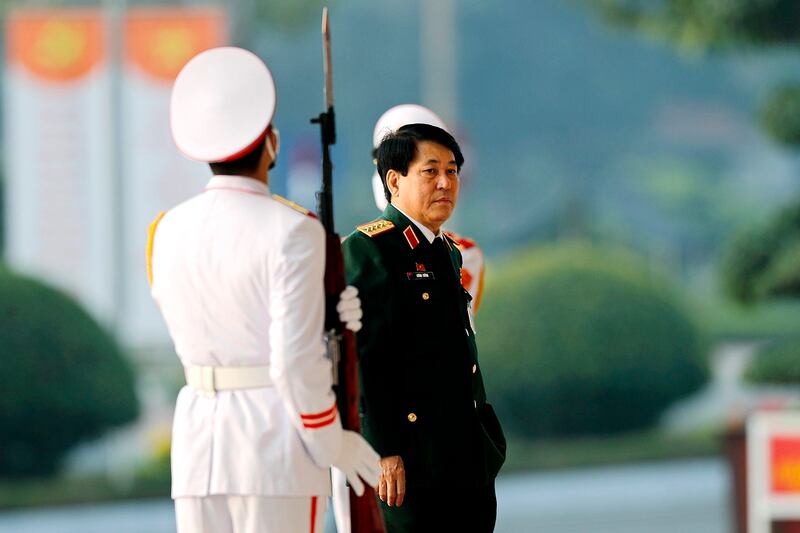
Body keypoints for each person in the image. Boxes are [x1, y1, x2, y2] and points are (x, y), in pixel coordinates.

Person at [147, 46, 380, 533]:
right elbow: (293, 361)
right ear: (270, 143)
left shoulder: (166, 229)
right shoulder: (293, 231)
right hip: (274, 448)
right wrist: (332, 442)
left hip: (197, 449)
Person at [341, 123, 506, 532]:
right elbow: (366, 359)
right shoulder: (370, 250)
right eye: (430, 172)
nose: (445, 183)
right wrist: (384, 451)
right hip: (412, 462)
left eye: (452, 171)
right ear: (394, 181)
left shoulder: (447, 250)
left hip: (466, 458)